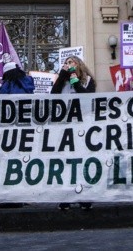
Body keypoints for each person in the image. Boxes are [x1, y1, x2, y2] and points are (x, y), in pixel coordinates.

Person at [51, 56, 96, 211]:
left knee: (82, 160)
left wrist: (76, 83)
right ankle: (66, 197)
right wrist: (62, 77)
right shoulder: (61, 81)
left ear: (78, 64)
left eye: (71, 62)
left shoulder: (87, 80)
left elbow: (89, 98)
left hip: (82, 125)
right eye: (66, 63)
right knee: (66, 161)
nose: (68, 64)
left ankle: (84, 196)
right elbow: (53, 95)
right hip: (65, 125)